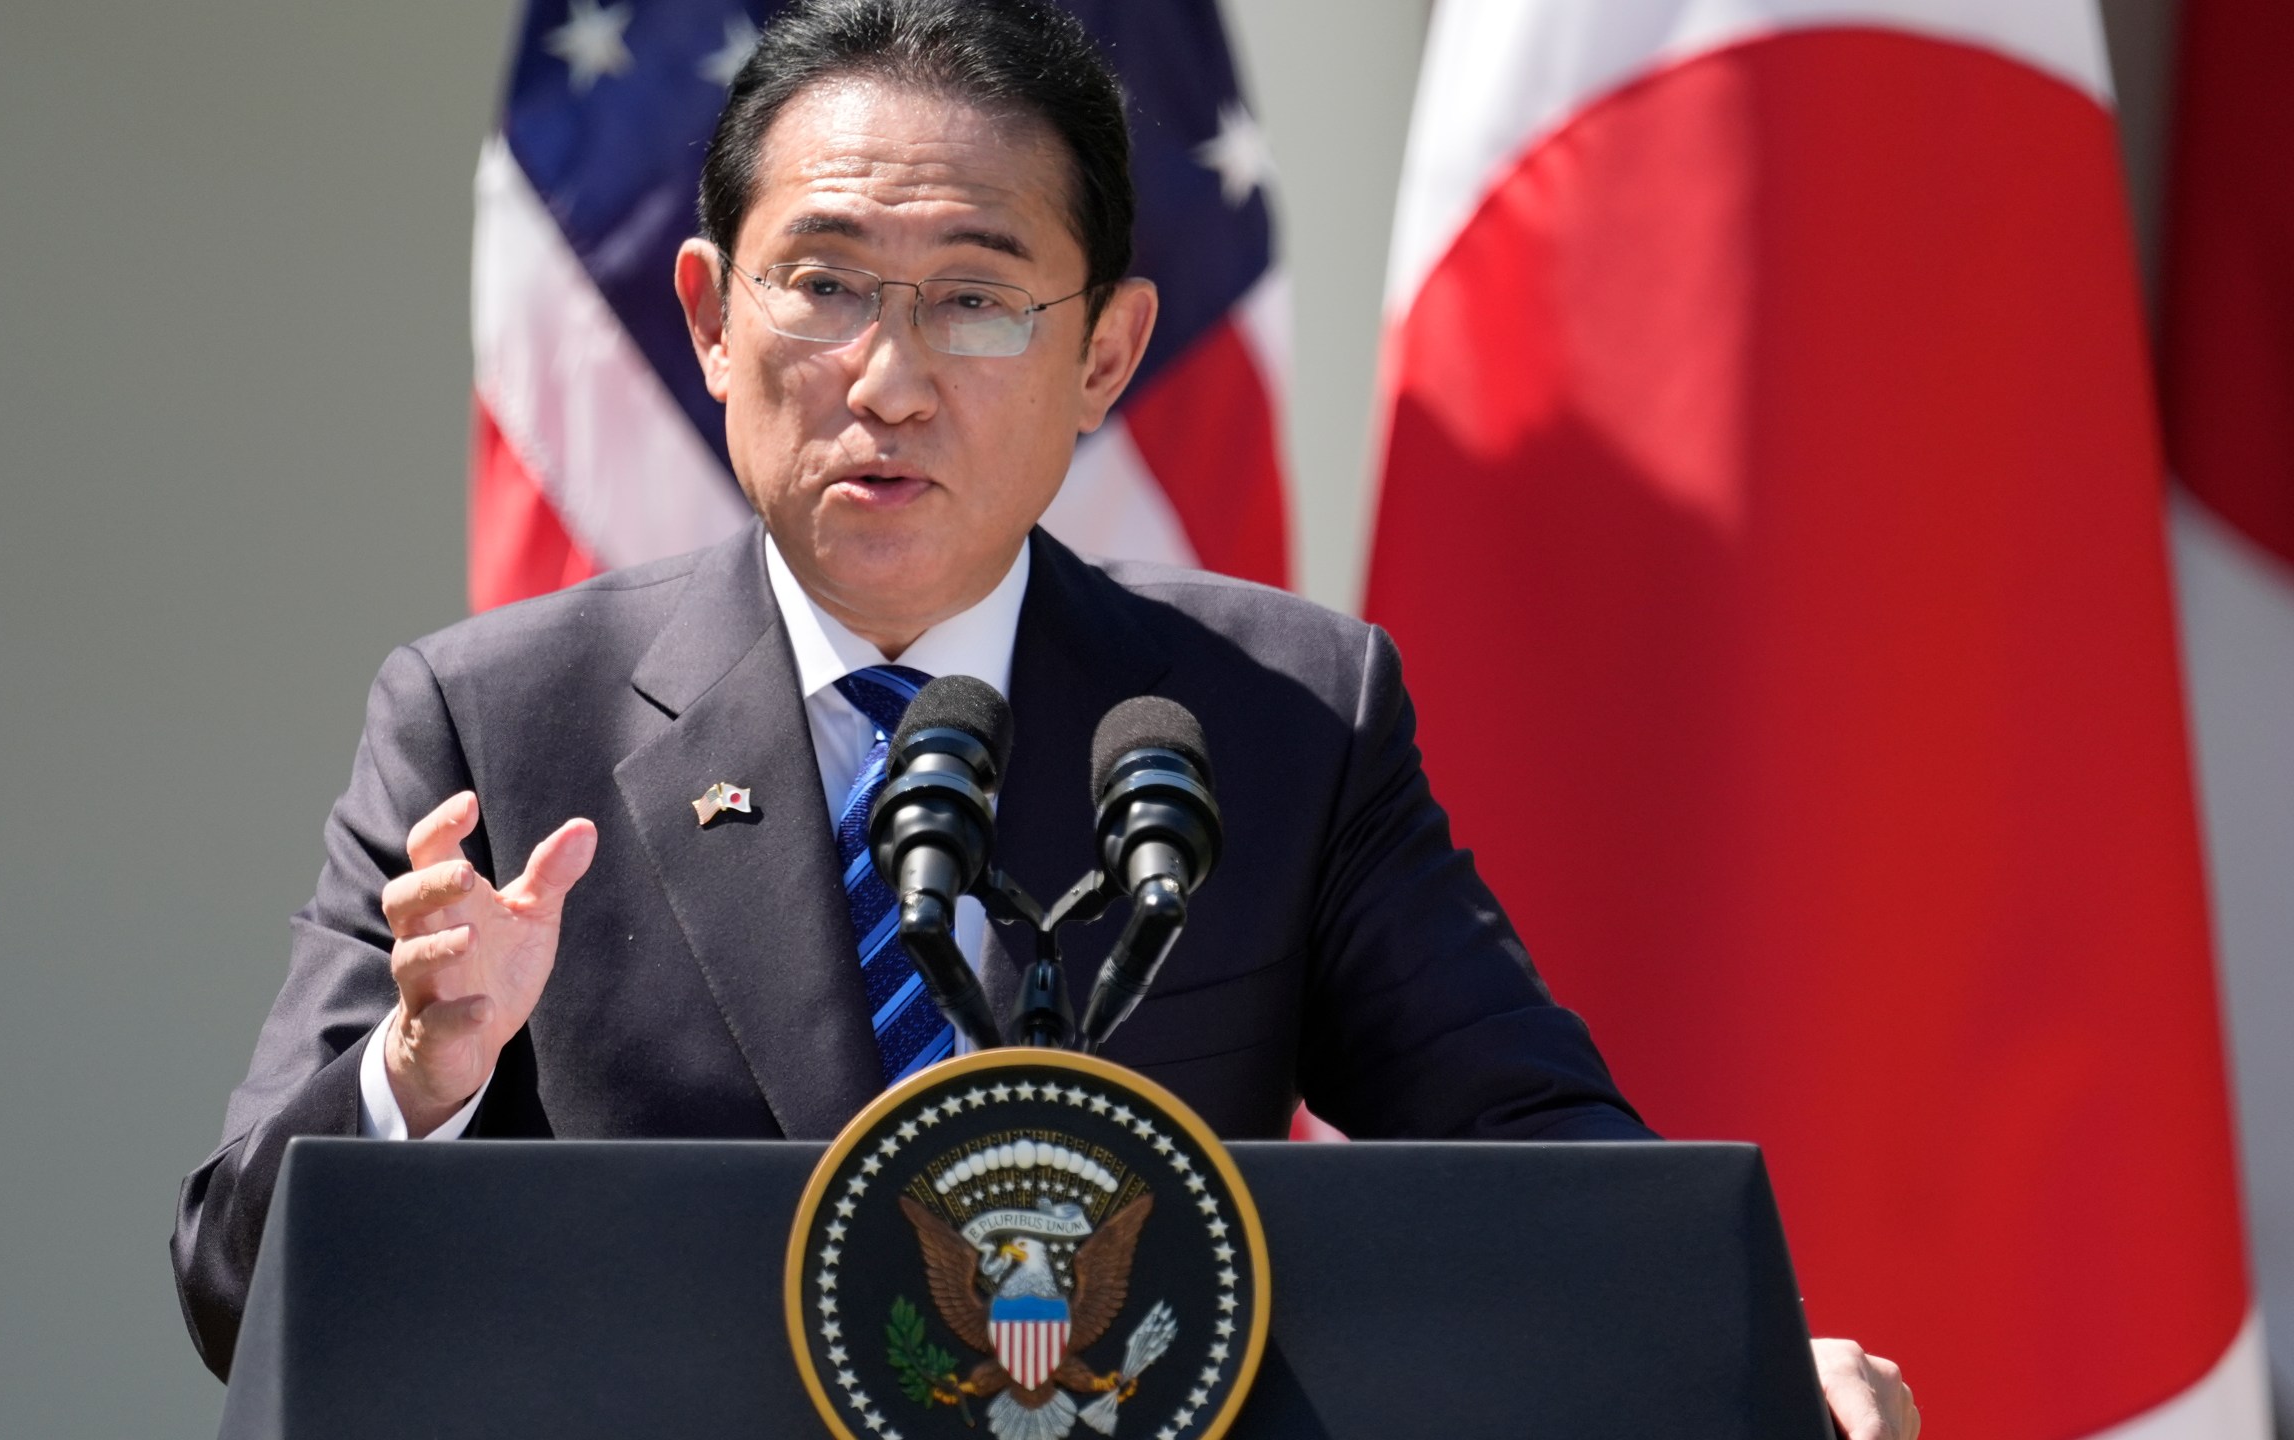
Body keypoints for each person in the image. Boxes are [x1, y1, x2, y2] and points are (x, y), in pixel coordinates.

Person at [172, 2, 1916, 1434]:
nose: (889, 379)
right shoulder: (495, 721)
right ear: (706, 318)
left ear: (1105, 355)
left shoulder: (1280, 716)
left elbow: (1531, 1148)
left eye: (978, 300)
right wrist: (420, 1081)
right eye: (824, 285)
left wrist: (1752, 1351)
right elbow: (234, 1287)